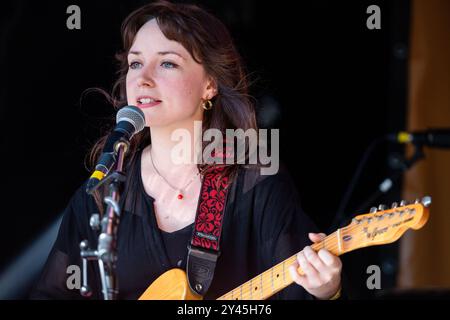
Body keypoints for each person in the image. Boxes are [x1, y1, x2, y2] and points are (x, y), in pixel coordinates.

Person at [30, 1, 342, 300]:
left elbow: (295, 289)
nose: (143, 78)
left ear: (210, 84)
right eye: (135, 63)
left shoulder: (255, 179)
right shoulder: (104, 191)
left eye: (167, 63)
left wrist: (326, 290)